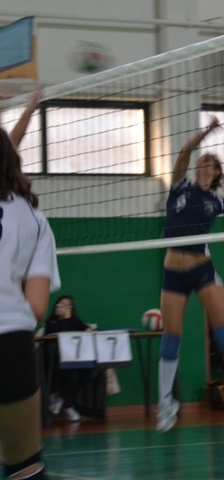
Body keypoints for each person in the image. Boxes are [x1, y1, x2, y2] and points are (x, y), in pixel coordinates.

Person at [157, 117, 224, 432]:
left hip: (201, 268)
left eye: (208, 161)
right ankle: (166, 403)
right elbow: (183, 153)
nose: (201, 163)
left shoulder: (218, 201)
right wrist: (205, 133)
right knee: (171, 336)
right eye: (201, 160)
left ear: (217, 171)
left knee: (222, 329)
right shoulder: (179, 185)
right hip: (173, 271)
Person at [0, 87, 60, 480]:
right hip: (11, 346)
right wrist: (31, 106)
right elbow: (37, 308)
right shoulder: (35, 222)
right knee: (24, 467)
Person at [43, 296, 95, 422]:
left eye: (66, 306)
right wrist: (66, 318)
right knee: (72, 373)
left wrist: (90, 330)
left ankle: (62, 398)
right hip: (55, 360)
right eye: (60, 305)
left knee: (92, 371)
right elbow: (62, 333)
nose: (62, 308)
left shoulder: (75, 321)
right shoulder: (51, 323)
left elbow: (87, 329)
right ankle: (68, 404)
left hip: (75, 358)